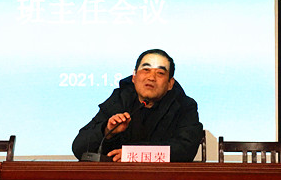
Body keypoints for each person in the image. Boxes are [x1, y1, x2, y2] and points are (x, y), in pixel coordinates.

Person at [72, 49, 203, 162]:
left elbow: (186, 150)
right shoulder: (120, 99)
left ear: (170, 83)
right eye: (146, 70)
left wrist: (134, 155)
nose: (151, 77)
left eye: (160, 73)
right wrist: (107, 131)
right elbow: (79, 147)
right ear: (134, 77)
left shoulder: (184, 106)